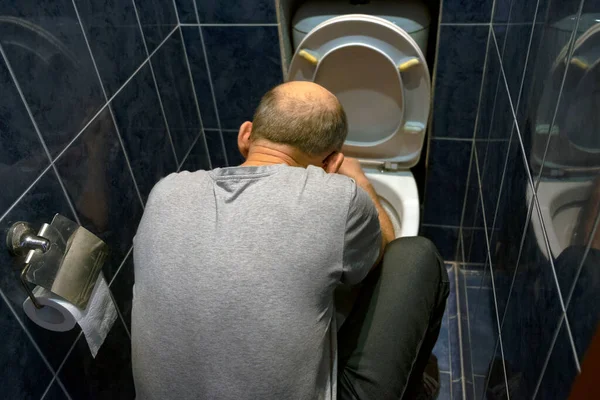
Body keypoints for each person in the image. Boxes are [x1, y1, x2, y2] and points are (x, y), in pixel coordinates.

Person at [131, 81, 449, 400]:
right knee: (415, 255)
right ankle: (414, 388)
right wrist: (359, 180)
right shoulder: (338, 197)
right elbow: (384, 244)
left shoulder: (165, 193)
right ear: (330, 163)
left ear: (245, 136)